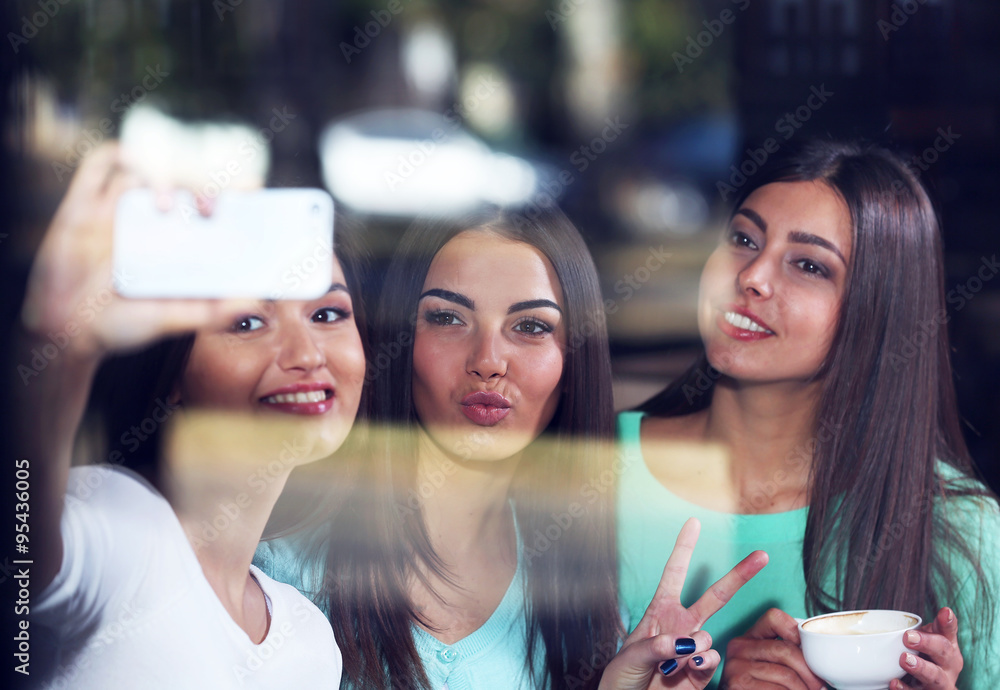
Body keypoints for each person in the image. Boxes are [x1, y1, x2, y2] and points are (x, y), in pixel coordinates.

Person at [255, 205, 767, 690]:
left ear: (573, 362)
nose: (488, 360)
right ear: (400, 341)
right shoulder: (275, 570)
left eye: (530, 327)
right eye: (447, 318)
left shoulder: (589, 601)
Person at [616, 139, 1000, 689]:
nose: (752, 275)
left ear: (879, 312)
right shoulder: (586, 470)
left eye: (809, 265)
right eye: (743, 239)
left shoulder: (961, 531)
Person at [15, 143, 368, 688]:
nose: (306, 354)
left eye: (327, 314)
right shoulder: (118, 521)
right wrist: (59, 345)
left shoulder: (310, 642)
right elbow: (21, 555)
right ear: (173, 371)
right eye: (247, 322)